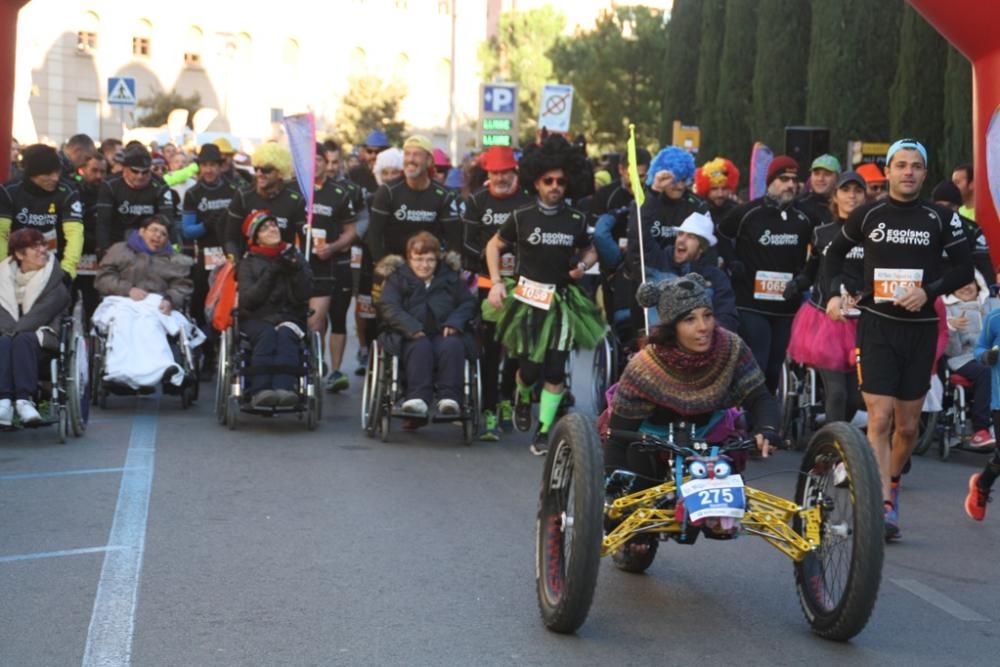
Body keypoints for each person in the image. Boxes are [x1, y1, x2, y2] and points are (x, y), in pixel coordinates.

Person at [825, 139, 973, 540]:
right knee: (880, 416)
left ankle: (891, 482)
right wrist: (834, 294)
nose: (908, 172)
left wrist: (931, 290)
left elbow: (964, 268)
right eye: (901, 165)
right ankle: (879, 503)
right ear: (887, 172)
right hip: (876, 325)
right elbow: (832, 256)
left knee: (907, 427)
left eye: (916, 166)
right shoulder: (869, 214)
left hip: (921, 328)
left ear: (925, 174)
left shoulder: (941, 218)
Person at [602, 275, 777, 557]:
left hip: (708, 434)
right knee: (638, 479)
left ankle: (715, 513)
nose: (704, 327)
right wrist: (615, 498)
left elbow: (760, 396)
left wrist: (767, 428)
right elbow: (618, 437)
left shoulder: (731, 348)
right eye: (690, 320)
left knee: (727, 476)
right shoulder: (645, 366)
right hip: (648, 437)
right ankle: (640, 527)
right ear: (672, 326)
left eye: (707, 315)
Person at [483, 134, 605, 455]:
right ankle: (523, 395)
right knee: (529, 370)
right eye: (548, 180)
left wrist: (581, 264)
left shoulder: (576, 219)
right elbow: (494, 245)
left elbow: (591, 250)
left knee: (554, 369)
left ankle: (545, 429)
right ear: (536, 182)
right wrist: (496, 281)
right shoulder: (521, 217)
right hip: (526, 301)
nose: (555, 186)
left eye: (561, 182)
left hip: (562, 302)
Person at [719, 155, 812, 392]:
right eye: (783, 179)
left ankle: (764, 418)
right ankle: (749, 420)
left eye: (794, 180)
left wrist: (803, 279)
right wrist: (733, 262)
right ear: (770, 181)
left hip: (786, 305)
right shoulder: (748, 212)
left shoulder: (804, 218)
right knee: (757, 362)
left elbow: (821, 253)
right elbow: (720, 235)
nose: (790, 185)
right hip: (751, 302)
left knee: (774, 367)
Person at [461, 146, 531, 441]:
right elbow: (467, 244)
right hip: (488, 284)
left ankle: (506, 396)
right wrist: (490, 264)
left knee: (516, 347)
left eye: (505, 172)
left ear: (515, 172)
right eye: (495, 172)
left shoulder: (527, 202)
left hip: (522, 283)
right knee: (490, 349)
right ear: (487, 174)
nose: (500, 177)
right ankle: (489, 408)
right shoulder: (477, 201)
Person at [787, 171, 868, 425]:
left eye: (857, 190)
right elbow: (811, 270)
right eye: (846, 190)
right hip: (826, 320)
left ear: (865, 196)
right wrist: (797, 283)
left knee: (855, 399)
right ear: (836, 196)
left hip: (861, 321)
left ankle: (833, 437)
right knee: (837, 394)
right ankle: (834, 452)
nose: (852, 196)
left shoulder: (874, 233)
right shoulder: (822, 233)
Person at [376, 231, 476, 424]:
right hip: (409, 335)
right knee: (421, 346)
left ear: (437, 259)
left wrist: (454, 322)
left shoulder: (450, 278)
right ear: (409, 259)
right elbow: (388, 306)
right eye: (419, 259)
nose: (424, 265)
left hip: (443, 332)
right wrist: (411, 327)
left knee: (453, 345)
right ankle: (417, 398)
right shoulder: (398, 278)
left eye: (430, 260)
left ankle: (450, 399)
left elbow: (468, 304)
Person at [236, 211, 312, 409]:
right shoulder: (248, 263)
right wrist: (272, 271)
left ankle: (284, 389)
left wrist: (296, 271)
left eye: (273, 225)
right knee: (267, 334)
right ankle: (261, 391)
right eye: (264, 228)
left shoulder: (294, 256)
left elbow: (304, 294)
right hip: (257, 317)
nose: (272, 229)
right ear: (256, 238)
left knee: (286, 334)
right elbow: (248, 300)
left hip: (289, 315)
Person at [296, 144, 357, 394]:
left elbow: (351, 231)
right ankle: (309, 361)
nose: (316, 164)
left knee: (323, 319)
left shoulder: (339, 193)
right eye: (311, 160)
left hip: (328, 266)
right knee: (306, 321)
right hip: (296, 267)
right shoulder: (295, 189)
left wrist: (333, 247)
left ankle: (333, 370)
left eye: (320, 159)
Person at [0, 228, 71, 426]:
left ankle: (24, 401)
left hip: (42, 342)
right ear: (19, 254)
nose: (42, 250)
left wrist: (12, 333)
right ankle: (3, 403)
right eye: (35, 247)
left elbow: (40, 315)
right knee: (5, 341)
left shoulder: (55, 282)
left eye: (43, 245)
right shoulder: (2, 278)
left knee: (22, 339)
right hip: (6, 340)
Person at [636, 211, 739, 332]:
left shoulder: (716, 277)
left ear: (701, 248)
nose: (681, 240)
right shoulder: (656, 263)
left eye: (691, 237)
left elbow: (726, 317)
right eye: (680, 234)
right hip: (660, 343)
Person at [181, 142, 236, 355]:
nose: (209, 170)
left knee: (229, 302)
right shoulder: (194, 193)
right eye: (205, 165)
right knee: (202, 305)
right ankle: (207, 351)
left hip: (230, 255)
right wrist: (206, 224)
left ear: (221, 166)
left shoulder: (233, 189)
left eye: (213, 165)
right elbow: (187, 230)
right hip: (205, 256)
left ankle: (227, 347)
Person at [0, 144, 84, 278]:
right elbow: (1, 234)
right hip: (15, 266)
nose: (55, 178)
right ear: (32, 174)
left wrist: (67, 270)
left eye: (57, 172)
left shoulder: (68, 191)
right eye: (47, 174)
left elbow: (75, 233)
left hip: (55, 264)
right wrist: (3, 270)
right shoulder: (9, 191)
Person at [942, 275, 998, 449]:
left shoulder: (992, 305)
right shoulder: (948, 309)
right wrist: (952, 328)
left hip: (992, 356)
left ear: (978, 285)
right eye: (960, 283)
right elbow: (952, 351)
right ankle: (980, 430)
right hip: (963, 358)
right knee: (985, 372)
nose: (966, 287)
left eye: (970, 283)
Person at [225, 143, 306, 260]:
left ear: (280, 172)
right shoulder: (244, 196)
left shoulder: (295, 200)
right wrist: (238, 265)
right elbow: (230, 238)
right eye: (256, 169)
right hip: (252, 269)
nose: (259, 174)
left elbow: (305, 240)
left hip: (283, 269)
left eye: (265, 170)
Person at [96, 144, 174, 255]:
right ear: (125, 169)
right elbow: (103, 222)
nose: (140, 176)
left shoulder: (160, 186)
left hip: (150, 240)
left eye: (145, 172)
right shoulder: (110, 185)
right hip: (118, 238)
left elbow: (168, 219)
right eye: (135, 171)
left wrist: (173, 249)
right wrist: (103, 249)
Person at [966, 305, 1000, 520]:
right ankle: (982, 484)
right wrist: (985, 356)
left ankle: (983, 483)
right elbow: (978, 349)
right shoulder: (994, 318)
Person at [931, 180, 994, 284]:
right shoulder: (925, 226)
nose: (946, 211)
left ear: (958, 207)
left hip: (963, 289)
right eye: (940, 207)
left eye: (950, 206)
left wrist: (991, 289)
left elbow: (984, 264)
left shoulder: (972, 229)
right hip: (931, 288)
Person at [74, 151, 107, 323]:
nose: (99, 176)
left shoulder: (108, 192)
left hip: (99, 255)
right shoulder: (72, 192)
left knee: (94, 302)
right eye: (94, 171)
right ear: (82, 170)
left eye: (102, 172)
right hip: (75, 254)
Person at [796, 154, 840, 226]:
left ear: (837, 178)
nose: (820, 179)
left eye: (827, 174)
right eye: (816, 174)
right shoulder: (799, 204)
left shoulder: (845, 204)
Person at [348, 130, 390, 203]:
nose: (373, 156)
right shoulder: (354, 174)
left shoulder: (393, 176)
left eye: (378, 152)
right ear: (364, 152)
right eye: (369, 151)